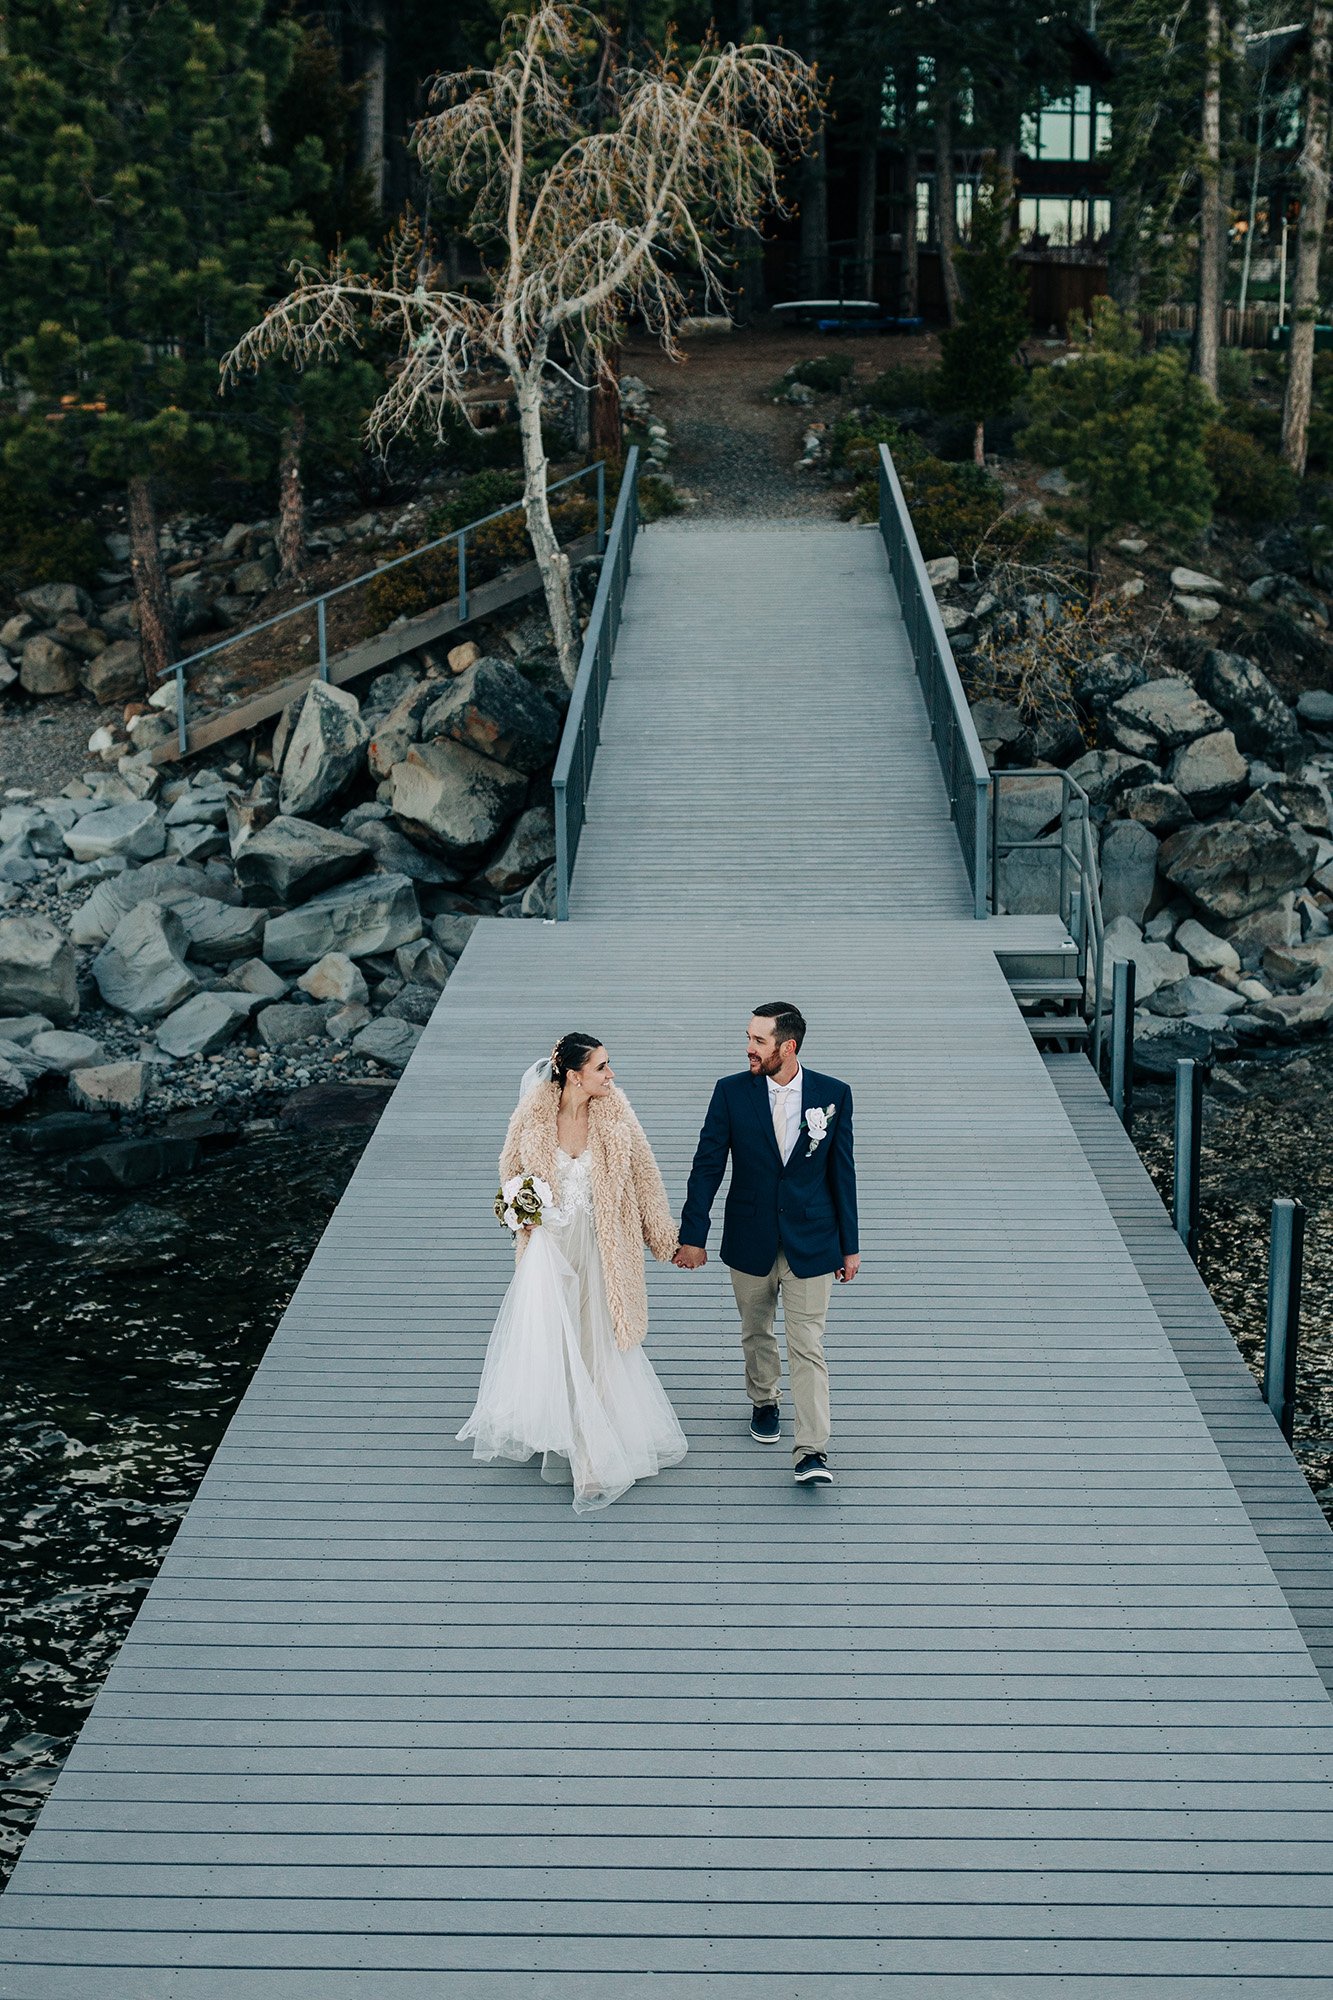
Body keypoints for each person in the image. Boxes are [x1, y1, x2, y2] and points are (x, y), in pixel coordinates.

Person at [458, 1032, 687, 1513]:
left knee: (596, 1342)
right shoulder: (533, 1116)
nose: (611, 1074)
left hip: (606, 1250)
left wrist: (665, 1238)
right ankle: (571, 1429)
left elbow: (646, 1176)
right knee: (560, 1342)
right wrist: (520, 1212)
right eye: (602, 1067)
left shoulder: (617, 1113)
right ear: (574, 1074)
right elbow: (508, 1173)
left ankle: (591, 1461)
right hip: (551, 1253)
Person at [675, 1003, 858, 1486]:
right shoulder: (730, 1093)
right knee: (756, 1331)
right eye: (749, 1038)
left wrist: (850, 1246)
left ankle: (812, 1451)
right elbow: (707, 1165)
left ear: (787, 1047)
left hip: (813, 1241)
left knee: (808, 1345)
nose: (748, 1048)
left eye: (758, 1041)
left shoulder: (833, 1095)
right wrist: (693, 1235)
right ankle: (764, 1400)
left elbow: (843, 1174)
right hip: (750, 1235)